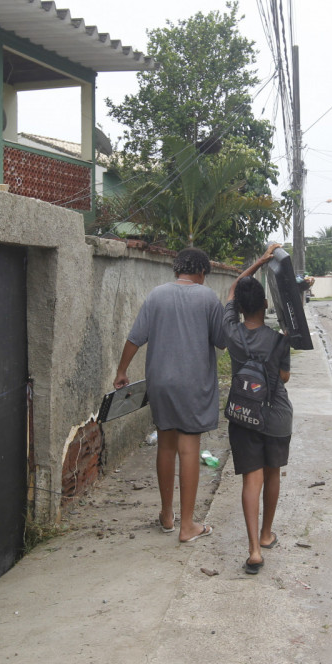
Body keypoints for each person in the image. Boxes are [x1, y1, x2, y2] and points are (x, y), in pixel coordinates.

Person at [114, 247, 224, 543]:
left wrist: (122, 371)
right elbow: (222, 341)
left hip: (160, 382)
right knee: (189, 448)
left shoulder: (156, 295)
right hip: (193, 384)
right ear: (202, 273)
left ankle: (166, 515)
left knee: (166, 445)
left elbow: (135, 337)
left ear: (177, 269)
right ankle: (187, 526)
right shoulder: (208, 297)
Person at [223, 244, 293, 574]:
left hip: (244, 416)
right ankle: (266, 535)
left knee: (251, 481)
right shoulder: (279, 340)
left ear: (238, 307)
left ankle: (253, 551)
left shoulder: (232, 332)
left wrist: (259, 262)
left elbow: (233, 287)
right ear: (266, 304)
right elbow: (284, 377)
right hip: (276, 416)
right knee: (272, 473)